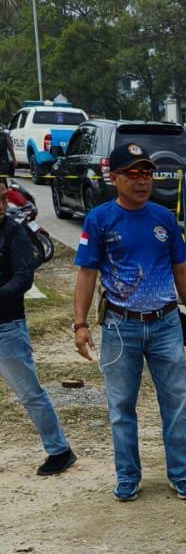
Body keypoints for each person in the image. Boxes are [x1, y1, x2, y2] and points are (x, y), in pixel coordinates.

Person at [73, 143, 186, 502]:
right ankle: (128, 476)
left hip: (164, 325)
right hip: (120, 327)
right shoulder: (99, 220)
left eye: (146, 173)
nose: (141, 180)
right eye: (132, 173)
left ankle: (181, 474)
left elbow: (181, 271)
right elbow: (87, 273)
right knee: (121, 408)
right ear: (113, 178)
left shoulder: (163, 219)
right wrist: (80, 324)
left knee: (175, 404)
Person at [0, 179, 76, 476]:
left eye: (2, 200)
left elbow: (24, 277)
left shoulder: (13, 232)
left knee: (29, 393)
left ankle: (60, 450)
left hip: (6, 327)